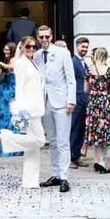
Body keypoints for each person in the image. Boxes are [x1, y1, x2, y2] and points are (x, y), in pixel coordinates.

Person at [0, 36, 47, 187]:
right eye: (28, 47)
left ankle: (30, 181)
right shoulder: (21, 64)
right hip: (29, 109)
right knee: (40, 141)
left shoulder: (32, 63)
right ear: (22, 48)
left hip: (37, 108)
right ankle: (6, 138)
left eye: (34, 47)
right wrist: (20, 109)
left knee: (33, 149)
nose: (31, 49)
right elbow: (19, 87)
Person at [34, 25, 76, 193]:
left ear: (51, 36)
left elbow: (71, 79)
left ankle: (65, 177)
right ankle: (56, 174)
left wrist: (71, 101)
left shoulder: (63, 53)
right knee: (51, 140)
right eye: (41, 37)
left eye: (47, 37)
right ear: (37, 38)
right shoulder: (36, 55)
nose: (44, 40)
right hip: (44, 102)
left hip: (61, 101)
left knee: (63, 141)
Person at [84, 46, 110, 173]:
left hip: (93, 103)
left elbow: (86, 90)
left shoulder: (89, 70)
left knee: (94, 132)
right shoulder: (109, 71)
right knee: (105, 132)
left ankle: (96, 161)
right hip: (105, 103)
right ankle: (102, 161)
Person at [0, 42, 22, 158]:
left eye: (8, 50)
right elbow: (1, 71)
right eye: (4, 50)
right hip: (3, 90)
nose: (6, 52)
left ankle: (11, 148)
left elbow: (14, 68)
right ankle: (2, 147)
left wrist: (3, 65)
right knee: (3, 116)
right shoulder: (6, 60)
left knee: (10, 117)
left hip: (10, 91)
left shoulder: (15, 60)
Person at [70, 36, 90, 168]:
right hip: (76, 98)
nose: (85, 49)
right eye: (83, 47)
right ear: (77, 47)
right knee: (74, 129)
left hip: (84, 99)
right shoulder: (73, 61)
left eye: (86, 47)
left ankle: (76, 156)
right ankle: (70, 158)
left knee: (81, 129)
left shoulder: (84, 62)